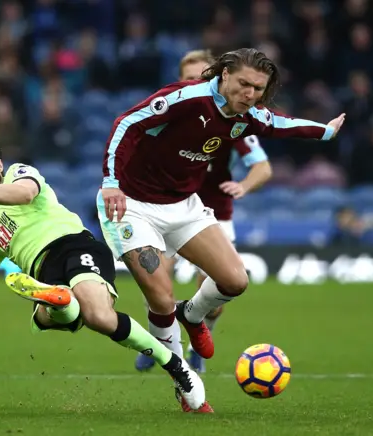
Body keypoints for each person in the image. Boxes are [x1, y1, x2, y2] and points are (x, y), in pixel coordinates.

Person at [0, 134, 210, 413]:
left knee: (96, 315)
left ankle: (173, 364)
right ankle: (58, 302)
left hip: (76, 249)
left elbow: (24, 194)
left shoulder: (20, 174)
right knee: (62, 312)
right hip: (45, 270)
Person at [96, 48, 345, 409]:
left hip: (184, 206)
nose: (250, 94)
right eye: (244, 84)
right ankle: (186, 385)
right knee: (161, 299)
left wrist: (324, 132)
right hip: (133, 206)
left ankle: (193, 314)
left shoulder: (246, 116)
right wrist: (110, 181)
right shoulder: (186, 98)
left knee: (235, 281)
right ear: (224, 74)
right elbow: (126, 124)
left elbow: (278, 123)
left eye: (258, 88)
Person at [134, 50, 274, 374]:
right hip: (163, 205)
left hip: (213, 211)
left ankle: (198, 338)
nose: (196, 83)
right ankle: (159, 343)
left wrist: (244, 185)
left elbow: (263, 167)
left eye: (202, 77)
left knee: (215, 285)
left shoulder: (231, 117)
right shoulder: (172, 110)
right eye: (188, 78)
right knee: (157, 279)